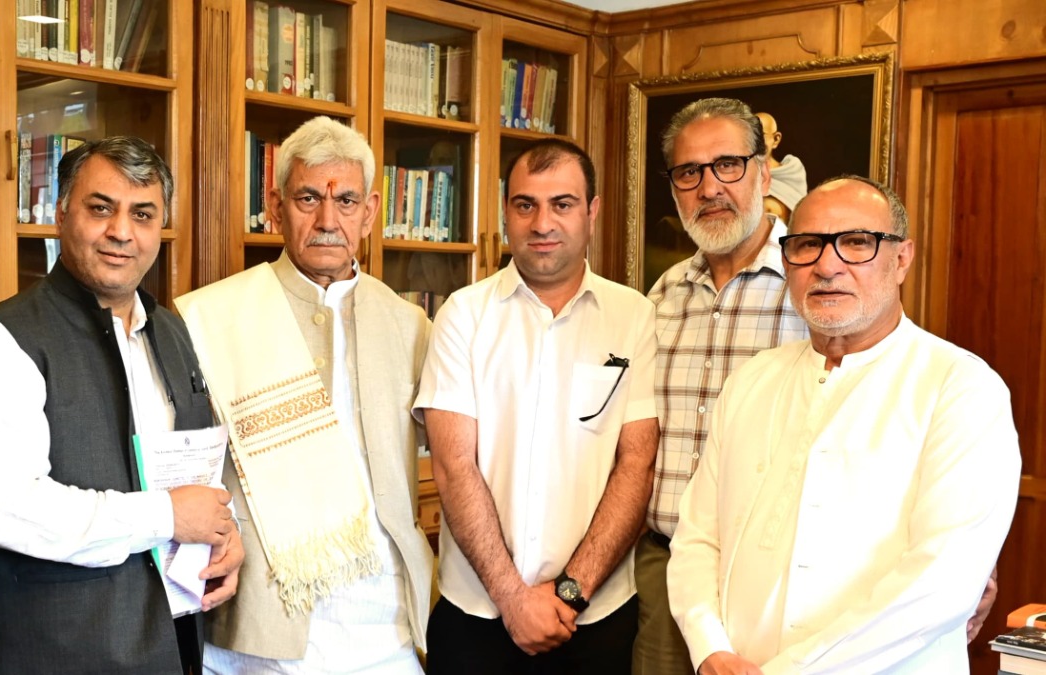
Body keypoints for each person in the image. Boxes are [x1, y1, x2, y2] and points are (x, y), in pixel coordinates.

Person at [638, 99, 999, 675]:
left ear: (901, 259)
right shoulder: (750, 379)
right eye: (807, 246)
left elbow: (942, 576)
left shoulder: (960, 387)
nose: (827, 266)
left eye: (856, 242)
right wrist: (710, 650)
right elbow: (699, 534)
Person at [0, 136, 245, 673]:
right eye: (100, 208)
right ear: (61, 213)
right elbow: (4, 507)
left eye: (142, 214)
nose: (121, 231)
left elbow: (198, 479)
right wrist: (167, 516)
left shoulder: (173, 331)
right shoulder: (5, 335)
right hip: (63, 650)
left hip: (174, 638)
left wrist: (224, 537)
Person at [176, 116, 436, 673]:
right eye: (308, 198)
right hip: (266, 617)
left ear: (370, 211)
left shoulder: (411, 325)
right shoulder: (208, 318)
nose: (327, 221)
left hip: (384, 619)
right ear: (276, 206)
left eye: (346, 201)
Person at [415, 138, 658, 673]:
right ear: (506, 212)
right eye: (526, 204)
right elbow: (453, 467)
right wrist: (512, 598)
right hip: (476, 615)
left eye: (562, 204)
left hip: (596, 617)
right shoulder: (463, 315)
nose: (542, 223)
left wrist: (570, 592)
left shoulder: (634, 316)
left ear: (592, 211)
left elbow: (636, 463)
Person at [638, 96, 806, 675]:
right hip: (663, 573)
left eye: (727, 165)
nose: (709, 187)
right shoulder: (664, 294)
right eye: (689, 172)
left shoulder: (814, 286)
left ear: (764, 173)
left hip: (773, 578)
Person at [755, 112, 807, 222]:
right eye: (750, 135)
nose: (754, 142)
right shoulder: (743, 175)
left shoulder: (792, 171)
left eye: (760, 135)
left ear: (776, 139)